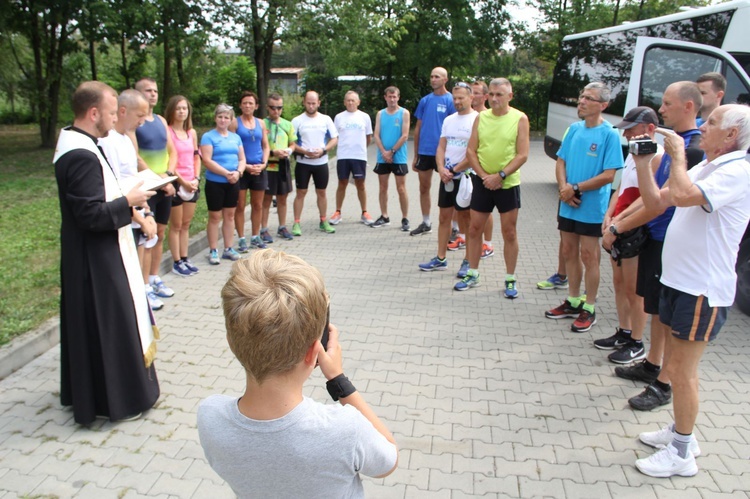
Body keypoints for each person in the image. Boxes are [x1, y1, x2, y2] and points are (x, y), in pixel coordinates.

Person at [197, 249, 398, 496]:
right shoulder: (345, 429)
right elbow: (388, 460)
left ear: (230, 341)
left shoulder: (210, 416)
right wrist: (338, 380)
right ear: (316, 352)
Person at [633, 104, 750, 478]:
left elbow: (683, 196)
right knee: (677, 366)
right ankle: (681, 431)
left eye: (712, 123)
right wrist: (642, 162)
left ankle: (682, 453)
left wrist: (679, 156)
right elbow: (658, 202)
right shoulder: (709, 166)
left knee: (683, 372)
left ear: (732, 135)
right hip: (679, 282)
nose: (702, 126)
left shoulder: (738, 171)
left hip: (702, 289)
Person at [54, 81, 159, 425]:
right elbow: (89, 215)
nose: (115, 120)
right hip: (95, 257)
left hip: (90, 252)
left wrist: (127, 204)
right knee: (109, 323)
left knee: (99, 325)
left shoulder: (82, 142)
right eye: (112, 113)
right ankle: (117, 400)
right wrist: (127, 202)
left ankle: (91, 393)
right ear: (93, 112)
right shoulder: (81, 154)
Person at [603, 81, 704, 411]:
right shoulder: (677, 146)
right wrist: (619, 218)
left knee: (668, 318)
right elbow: (652, 198)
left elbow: (663, 202)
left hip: (673, 243)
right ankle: (653, 364)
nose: (661, 110)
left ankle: (663, 382)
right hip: (658, 237)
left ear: (688, 106)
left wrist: (618, 225)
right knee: (658, 311)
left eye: (667, 103)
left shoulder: (693, 149)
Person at [544, 82, 623, 331]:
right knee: (568, 251)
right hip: (568, 202)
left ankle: (589, 307)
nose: (581, 101)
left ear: (603, 105)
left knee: (589, 255)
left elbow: (609, 175)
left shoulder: (609, 134)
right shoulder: (574, 129)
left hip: (590, 206)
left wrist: (575, 188)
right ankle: (573, 300)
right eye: (581, 97)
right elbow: (561, 161)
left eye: (588, 98)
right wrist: (564, 188)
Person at [594, 107, 659, 364]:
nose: (627, 134)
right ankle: (624, 331)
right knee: (620, 284)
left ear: (649, 128)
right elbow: (620, 188)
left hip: (634, 229)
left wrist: (617, 223)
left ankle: (637, 342)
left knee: (635, 290)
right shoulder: (634, 153)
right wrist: (608, 215)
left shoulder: (656, 156)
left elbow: (648, 197)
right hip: (617, 225)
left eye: (632, 129)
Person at [458, 78, 530, 296]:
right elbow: (471, 151)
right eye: (492, 94)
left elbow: (523, 154)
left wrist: (500, 175)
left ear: (510, 96)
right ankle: (473, 272)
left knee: (509, 232)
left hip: (507, 183)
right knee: (474, 229)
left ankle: (510, 278)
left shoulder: (520, 118)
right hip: (482, 181)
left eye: (500, 94)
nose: (495, 98)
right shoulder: (482, 117)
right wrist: (483, 176)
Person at [98, 89, 161, 309]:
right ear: (123, 111)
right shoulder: (108, 143)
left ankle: (142, 293)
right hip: (124, 217)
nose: (143, 122)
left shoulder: (125, 140)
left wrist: (148, 213)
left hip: (137, 214)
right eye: (139, 116)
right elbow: (115, 191)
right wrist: (141, 219)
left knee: (141, 255)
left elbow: (134, 180)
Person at [418, 82, 478, 278]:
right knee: (444, 217)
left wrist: (454, 169)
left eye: (461, 98)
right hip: (447, 177)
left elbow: (474, 153)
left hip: (467, 177)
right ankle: (440, 258)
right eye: (455, 98)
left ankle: (468, 261)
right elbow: (441, 147)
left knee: (465, 220)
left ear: (471, 98)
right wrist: (442, 168)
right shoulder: (449, 120)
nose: (458, 101)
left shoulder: (478, 120)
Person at [134, 77, 177, 303]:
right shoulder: (136, 123)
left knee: (160, 233)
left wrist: (168, 176)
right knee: (147, 237)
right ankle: (144, 286)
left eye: (155, 90)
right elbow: (136, 157)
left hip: (164, 185)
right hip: (147, 187)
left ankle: (154, 277)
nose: (152, 94)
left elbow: (172, 151)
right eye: (147, 90)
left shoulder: (160, 120)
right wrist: (159, 179)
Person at [410, 67, 456, 236]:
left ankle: (455, 227)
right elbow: (418, 128)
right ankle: (426, 222)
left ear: (445, 80)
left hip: (445, 152)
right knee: (424, 187)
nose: (433, 79)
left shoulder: (451, 100)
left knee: (450, 188)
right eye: (431, 76)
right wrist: (415, 155)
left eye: (437, 77)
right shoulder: (425, 101)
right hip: (425, 151)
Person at [201, 104, 246, 264]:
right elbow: (207, 160)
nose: (223, 120)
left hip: (233, 182)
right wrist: (226, 173)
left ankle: (228, 248)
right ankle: (213, 250)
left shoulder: (236, 137)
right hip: (215, 182)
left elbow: (242, 158)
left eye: (226, 117)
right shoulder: (208, 136)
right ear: (215, 118)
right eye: (220, 116)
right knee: (214, 217)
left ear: (231, 120)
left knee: (230, 215)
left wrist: (238, 172)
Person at [291, 91, 338, 235]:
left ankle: (323, 221)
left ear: (319, 103)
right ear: (304, 102)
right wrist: (304, 151)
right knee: (301, 192)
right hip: (303, 162)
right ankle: (296, 223)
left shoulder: (326, 119)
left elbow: (334, 139)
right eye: (308, 103)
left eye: (314, 103)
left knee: (322, 192)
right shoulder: (297, 120)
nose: (311, 106)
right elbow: (291, 142)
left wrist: (324, 150)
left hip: (321, 162)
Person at [165, 95, 201, 277]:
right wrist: (183, 181)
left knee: (186, 224)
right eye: (178, 108)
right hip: (176, 183)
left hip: (192, 182)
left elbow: (196, 156)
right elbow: (169, 160)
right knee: (176, 225)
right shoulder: (168, 132)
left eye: (184, 108)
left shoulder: (191, 133)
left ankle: (185, 258)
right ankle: (176, 261)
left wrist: (196, 178)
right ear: (172, 110)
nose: (181, 112)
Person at [230, 91, 270, 251]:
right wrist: (244, 166)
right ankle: (241, 238)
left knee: (258, 204)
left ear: (256, 106)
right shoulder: (234, 122)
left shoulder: (261, 123)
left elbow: (265, 145)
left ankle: (255, 236)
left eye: (251, 103)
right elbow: (231, 146)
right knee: (240, 205)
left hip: (259, 168)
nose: (247, 106)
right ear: (240, 105)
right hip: (242, 169)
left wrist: (264, 163)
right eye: (244, 103)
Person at [330, 91, 375, 226]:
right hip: (343, 156)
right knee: (342, 183)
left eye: (353, 100)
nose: (350, 103)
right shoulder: (338, 117)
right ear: (344, 102)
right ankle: (337, 212)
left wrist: (361, 150)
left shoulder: (365, 117)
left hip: (359, 156)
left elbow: (369, 137)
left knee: (360, 184)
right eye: (348, 100)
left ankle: (364, 212)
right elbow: (335, 136)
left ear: (358, 102)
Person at [371, 86, 411, 231]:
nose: (392, 99)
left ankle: (405, 218)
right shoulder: (380, 114)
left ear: (398, 97)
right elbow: (376, 134)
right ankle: (384, 216)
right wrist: (384, 152)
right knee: (382, 187)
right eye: (390, 96)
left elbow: (405, 135)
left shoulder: (404, 113)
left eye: (395, 97)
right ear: (385, 97)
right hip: (382, 157)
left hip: (399, 157)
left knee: (401, 188)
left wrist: (392, 152)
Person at [262, 93, 296, 241]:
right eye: (273, 108)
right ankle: (263, 229)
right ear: (267, 108)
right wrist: (272, 152)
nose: (276, 111)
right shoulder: (262, 124)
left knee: (282, 198)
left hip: (283, 166)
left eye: (279, 108)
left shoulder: (287, 124)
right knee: (266, 200)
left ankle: (282, 226)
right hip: (268, 166)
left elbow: (293, 143)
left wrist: (289, 151)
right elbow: (258, 146)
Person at [467, 80, 495, 259]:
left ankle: (488, 243)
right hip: (465, 169)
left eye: (476, 93)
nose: (473, 96)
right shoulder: (466, 114)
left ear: (485, 96)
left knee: (485, 211)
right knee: (467, 209)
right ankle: (465, 237)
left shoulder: (488, 116)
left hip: (481, 170)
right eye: (471, 92)